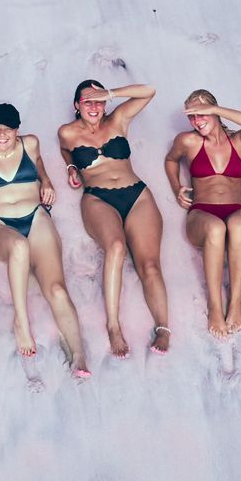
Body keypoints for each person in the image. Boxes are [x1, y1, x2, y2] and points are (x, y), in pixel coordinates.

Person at [0, 103, 90, 378]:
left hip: (35, 215)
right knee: (19, 247)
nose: (2, 136)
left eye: (8, 130)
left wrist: (46, 181)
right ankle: (21, 321)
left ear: (17, 130)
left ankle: (78, 354)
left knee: (56, 289)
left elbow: (40, 163)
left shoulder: (30, 143)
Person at [58, 80, 171, 357]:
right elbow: (65, 149)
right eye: (88, 101)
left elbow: (150, 91)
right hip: (98, 198)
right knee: (116, 248)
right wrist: (72, 166)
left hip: (137, 195)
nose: (94, 106)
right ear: (76, 106)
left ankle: (163, 327)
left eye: (99, 100)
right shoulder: (67, 132)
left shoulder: (118, 119)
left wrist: (110, 94)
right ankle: (113, 325)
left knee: (150, 265)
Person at [163, 89, 241, 337]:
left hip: (235, 210)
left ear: (214, 111)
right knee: (217, 229)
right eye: (192, 117)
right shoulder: (189, 141)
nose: (196, 121)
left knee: (237, 225)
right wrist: (177, 188)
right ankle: (215, 306)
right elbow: (171, 160)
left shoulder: (239, 142)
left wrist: (215, 110)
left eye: (201, 114)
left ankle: (235, 301)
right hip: (201, 214)